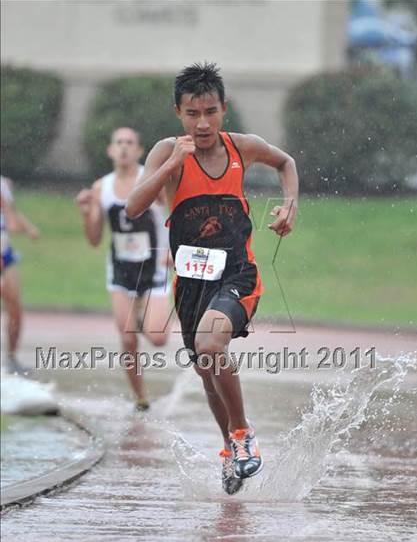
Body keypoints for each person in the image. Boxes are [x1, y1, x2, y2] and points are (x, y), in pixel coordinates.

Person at [126, 62, 299, 494]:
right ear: (178, 113)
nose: (201, 123)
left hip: (237, 274)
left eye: (209, 112)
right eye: (192, 113)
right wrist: (171, 166)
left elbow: (286, 162)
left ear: (224, 109)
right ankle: (229, 448)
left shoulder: (243, 148)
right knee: (207, 371)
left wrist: (289, 205)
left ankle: (242, 434)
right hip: (191, 282)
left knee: (209, 344)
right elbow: (133, 207)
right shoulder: (167, 151)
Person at [76, 127, 171, 411]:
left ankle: (146, 314)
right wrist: (86, 214)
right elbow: (94, 239)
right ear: (110, 150)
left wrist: (172, 250)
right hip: (120, 269)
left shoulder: (151, 180)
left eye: (130, 143)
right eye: (119, 142)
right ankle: (141, 398)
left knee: (157, 338)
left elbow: (172, 213)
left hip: (153, 266)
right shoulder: (100, 188)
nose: (124, 148)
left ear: (140, 151)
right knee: (128, 338)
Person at [1, 175, 40, 375]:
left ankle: (11, 357)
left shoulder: (3, 184)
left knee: (15, 307)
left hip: (4, 256)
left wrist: (29, 227)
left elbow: (13, 218)